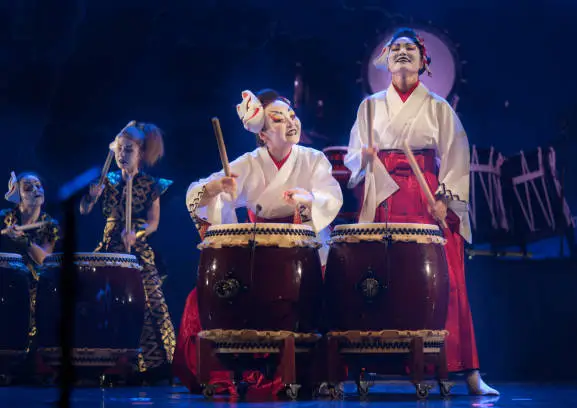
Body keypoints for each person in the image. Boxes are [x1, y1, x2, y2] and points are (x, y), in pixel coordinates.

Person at [344, 27, 498, 396]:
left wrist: (444, 199)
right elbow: (352, 157)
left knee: (445, 278)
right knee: (379, 277)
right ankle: (376, 363)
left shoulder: (438, 108)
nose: (401, 53)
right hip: (382, 195)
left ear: (423, 61)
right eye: (395, 48)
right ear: (386, 60)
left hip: (425, 194)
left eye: (409, 48)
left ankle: (467, 370)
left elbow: (458, 156)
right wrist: (362, 160)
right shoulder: (369, 106)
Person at [173, 88, 343, 396]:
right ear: (262, 135)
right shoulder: (249, 163)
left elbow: (329, 197)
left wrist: (307, 201)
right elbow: (196, 191)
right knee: (204, 298)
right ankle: (234, 368)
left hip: (303, 252)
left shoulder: (314, 160)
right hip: (259, 256)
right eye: (278, 120)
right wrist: (214, 188)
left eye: (292, 115)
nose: (290, 123)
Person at [80, 122, 176, 380]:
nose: (122, 155)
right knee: (102, 303)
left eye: (128, 150)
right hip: (109, 249)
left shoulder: (151, 184)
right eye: (120, 149)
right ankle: (103, 364)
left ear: (141, 153)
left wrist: (137, 234)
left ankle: (157, 367)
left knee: (151, 303)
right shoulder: (107, 180)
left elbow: (153, 223)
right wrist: (91, 197)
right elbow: (85, 210)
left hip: (137, 250)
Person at [0, 171, 60, 377]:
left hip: (34, 282)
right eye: (28, 187)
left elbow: (43, 258)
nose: (36, 190)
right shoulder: (4, 218)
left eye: (38, 186)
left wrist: (24, 240)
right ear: (18, 195)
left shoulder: (49, 224)